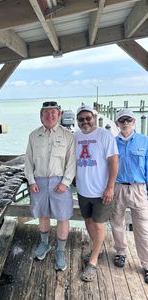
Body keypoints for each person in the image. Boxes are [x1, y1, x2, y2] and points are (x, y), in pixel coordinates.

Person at [25, 101, 76, 271]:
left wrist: (65, 182)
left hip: (60, 183)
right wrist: (31, 181)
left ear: (59, 115)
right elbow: (28, 161)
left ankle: (60, 251)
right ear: (41, 116)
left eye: (53, 113)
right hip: (38, 182)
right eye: (46, 113)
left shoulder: (68, 136)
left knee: (63, 217)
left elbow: (72, 162)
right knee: (43, 215)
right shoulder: (33, 135)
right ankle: (44, 244)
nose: (50, 116)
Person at [75, 104, 119, 282]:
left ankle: (93, 262)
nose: (85, 121)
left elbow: (114, 161)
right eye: (81, 119)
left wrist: (110, 187)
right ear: (77, 121)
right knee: (88, 221)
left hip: (101, 191)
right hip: (83, 190)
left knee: (100, 225)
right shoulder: (75, 136)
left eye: (88, 118)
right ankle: (96, 249)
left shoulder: (105, 135)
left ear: (93, 117)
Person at [111, 108, 148, 284]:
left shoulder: (144, 140)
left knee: (143, 228)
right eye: (122, 120)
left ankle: (147, 264)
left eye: (129, 119)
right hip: (117, 187)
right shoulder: (112, 142)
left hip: (138, 189)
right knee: (117, 223)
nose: (125, 123)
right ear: (117, 123)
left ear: (134, 122)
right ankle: (120, 252)